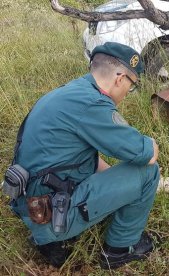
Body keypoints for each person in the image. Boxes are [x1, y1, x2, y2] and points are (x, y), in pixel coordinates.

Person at [9, 42, 160, 270]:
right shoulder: (92, 105)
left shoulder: (69, 92)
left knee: (128, 177)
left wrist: (122, 190)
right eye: (131, 87)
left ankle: (49, 237)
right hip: (50, 216)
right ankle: (120, 249)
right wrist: (152, 143)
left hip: (33, 207)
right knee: (149, 172)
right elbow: (146, 154)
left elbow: (82, 158)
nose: (128, 94)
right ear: (120, 79)